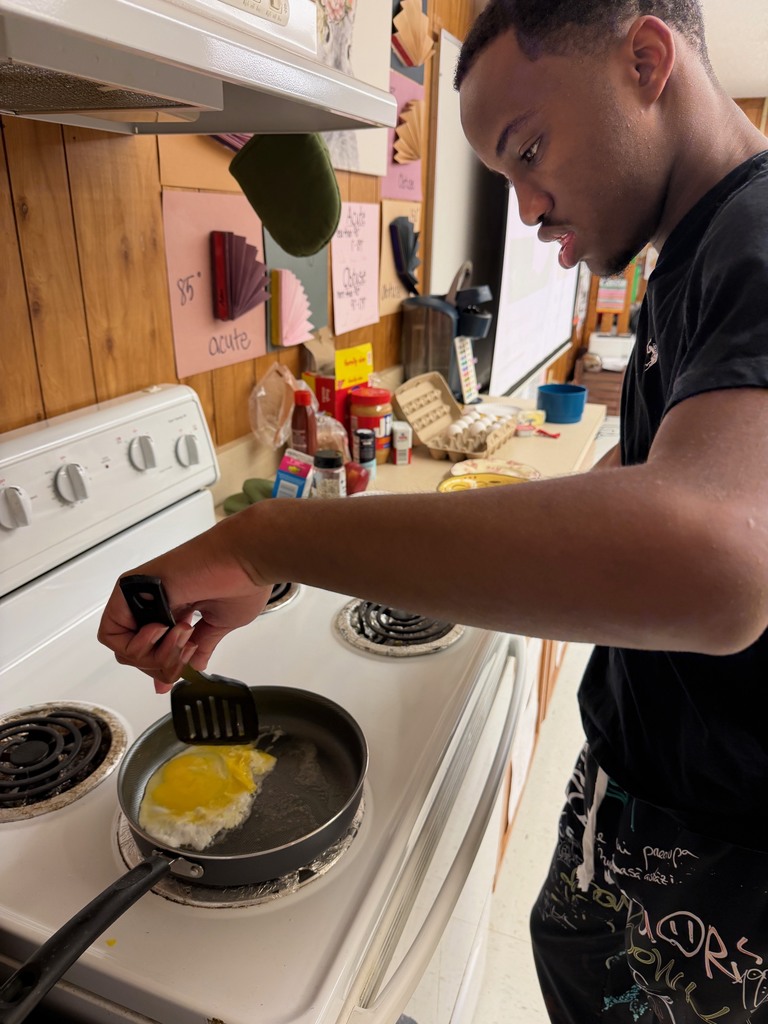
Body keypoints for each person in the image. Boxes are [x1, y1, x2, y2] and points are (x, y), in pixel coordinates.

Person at [98, 0, 768, 1019]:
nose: (530, 207)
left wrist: (267, 536)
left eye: (530, 149)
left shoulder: (756, 241)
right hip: (647, 807)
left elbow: (718, 562)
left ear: (646, 60)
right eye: (507, 177)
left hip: (730, 863)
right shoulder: (697, 252)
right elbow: (655, 486)